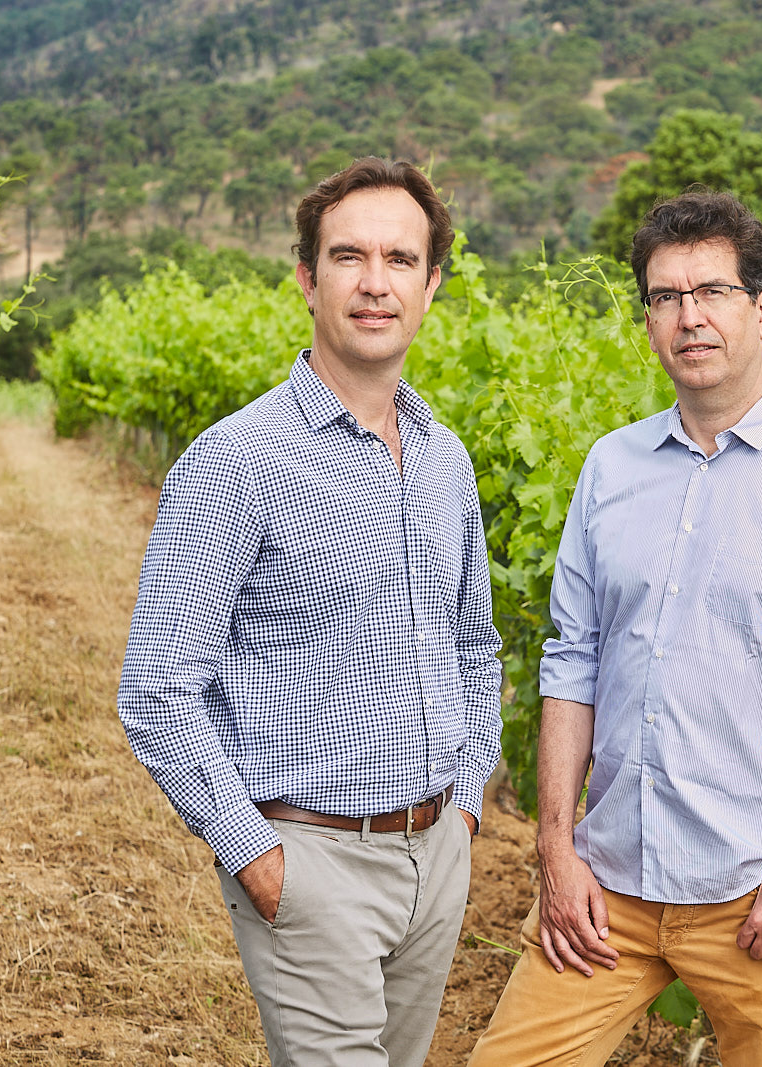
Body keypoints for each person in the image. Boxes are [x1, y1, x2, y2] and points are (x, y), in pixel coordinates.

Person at [468, 190, 762, 1067]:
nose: (689, 316)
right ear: (648, 320)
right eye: (665, 296)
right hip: (606, 888)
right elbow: (572, 663)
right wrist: (556, 851)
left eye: (711, 291)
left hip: (761, 903)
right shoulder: (612, 467)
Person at [116, 157, 502, 1067]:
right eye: (349, 256)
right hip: (309, 860)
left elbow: (473, 644)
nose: (376, 283)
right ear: (307, 277)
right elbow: (158, 688)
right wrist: (257, 856)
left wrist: (469, 806)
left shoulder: (446, 460)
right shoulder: (237, 461)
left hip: (436, 853)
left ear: (432, 285)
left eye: (401, 260)